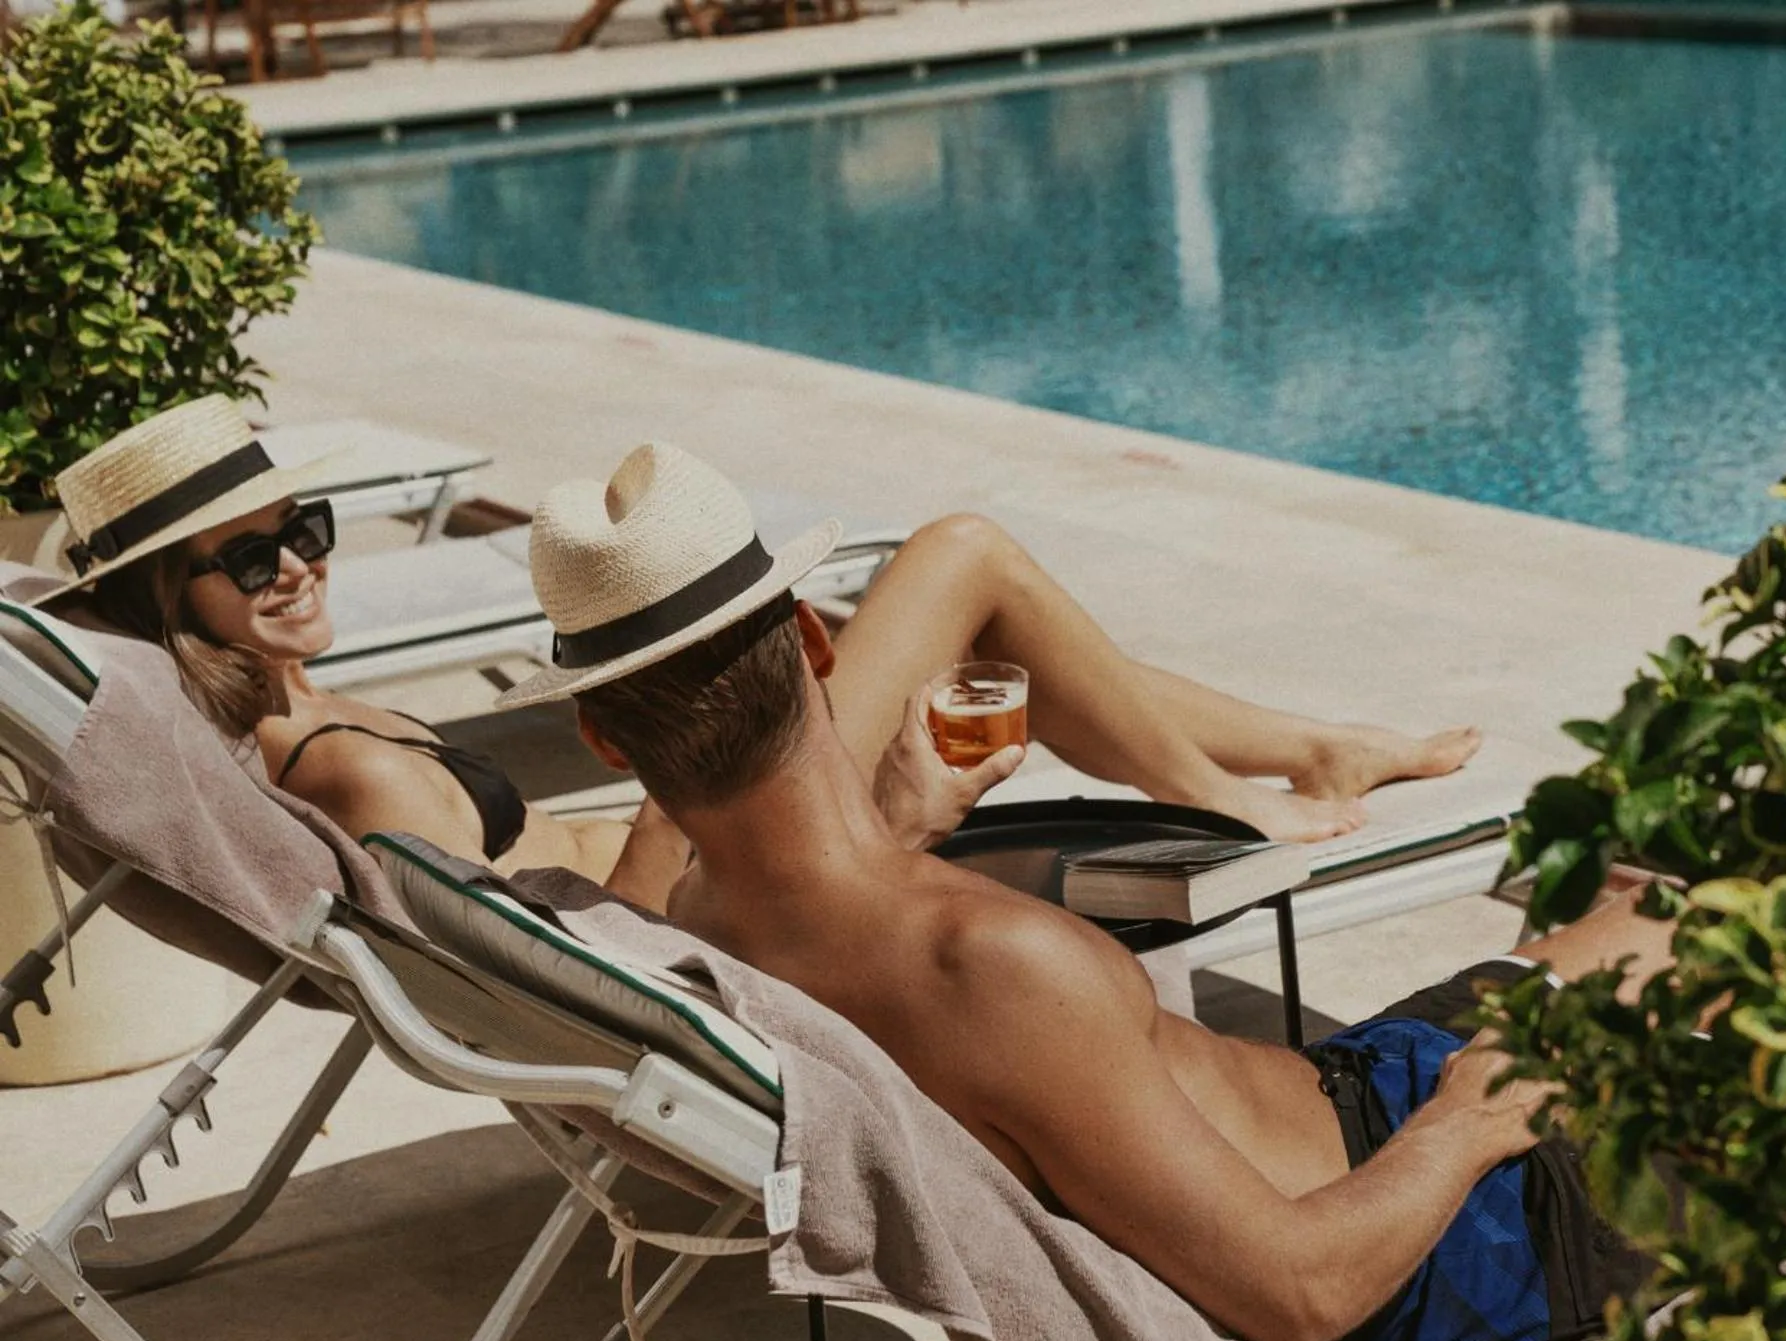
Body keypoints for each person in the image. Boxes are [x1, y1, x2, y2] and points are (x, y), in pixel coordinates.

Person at [511, 442, 1678, 1341]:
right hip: (1443, 1234)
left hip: (1361, 1099)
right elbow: (1298, 1298)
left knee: (1640, 918)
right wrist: (1470, 1120)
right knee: (1717, 938)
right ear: (816, 640)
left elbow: (871, 981)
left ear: (602, 736)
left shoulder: (691, 930)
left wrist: (901, 827)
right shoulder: (989, 960)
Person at [35, 398, 1483, 910]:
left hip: (698, 840)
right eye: (247, 560)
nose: (297, 567)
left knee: (955, 630)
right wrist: (671, 795)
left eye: (304, 529)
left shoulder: (305, 721)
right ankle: (1230, 797)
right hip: (721, 869)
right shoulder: (347, 773)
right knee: (963, 554)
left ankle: (1308, 750)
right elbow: (598, 960)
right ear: (172, 599)